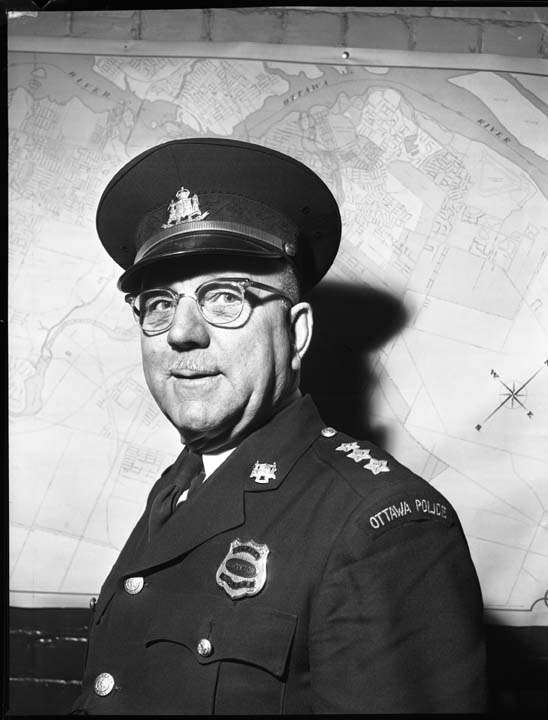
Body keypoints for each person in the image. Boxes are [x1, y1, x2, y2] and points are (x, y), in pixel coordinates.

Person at [72, 138, 488, 714]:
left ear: (296, 334)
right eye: (160, 304)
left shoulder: (383, 526)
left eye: (224, 297)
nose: (181, 333)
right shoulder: (182, 484)